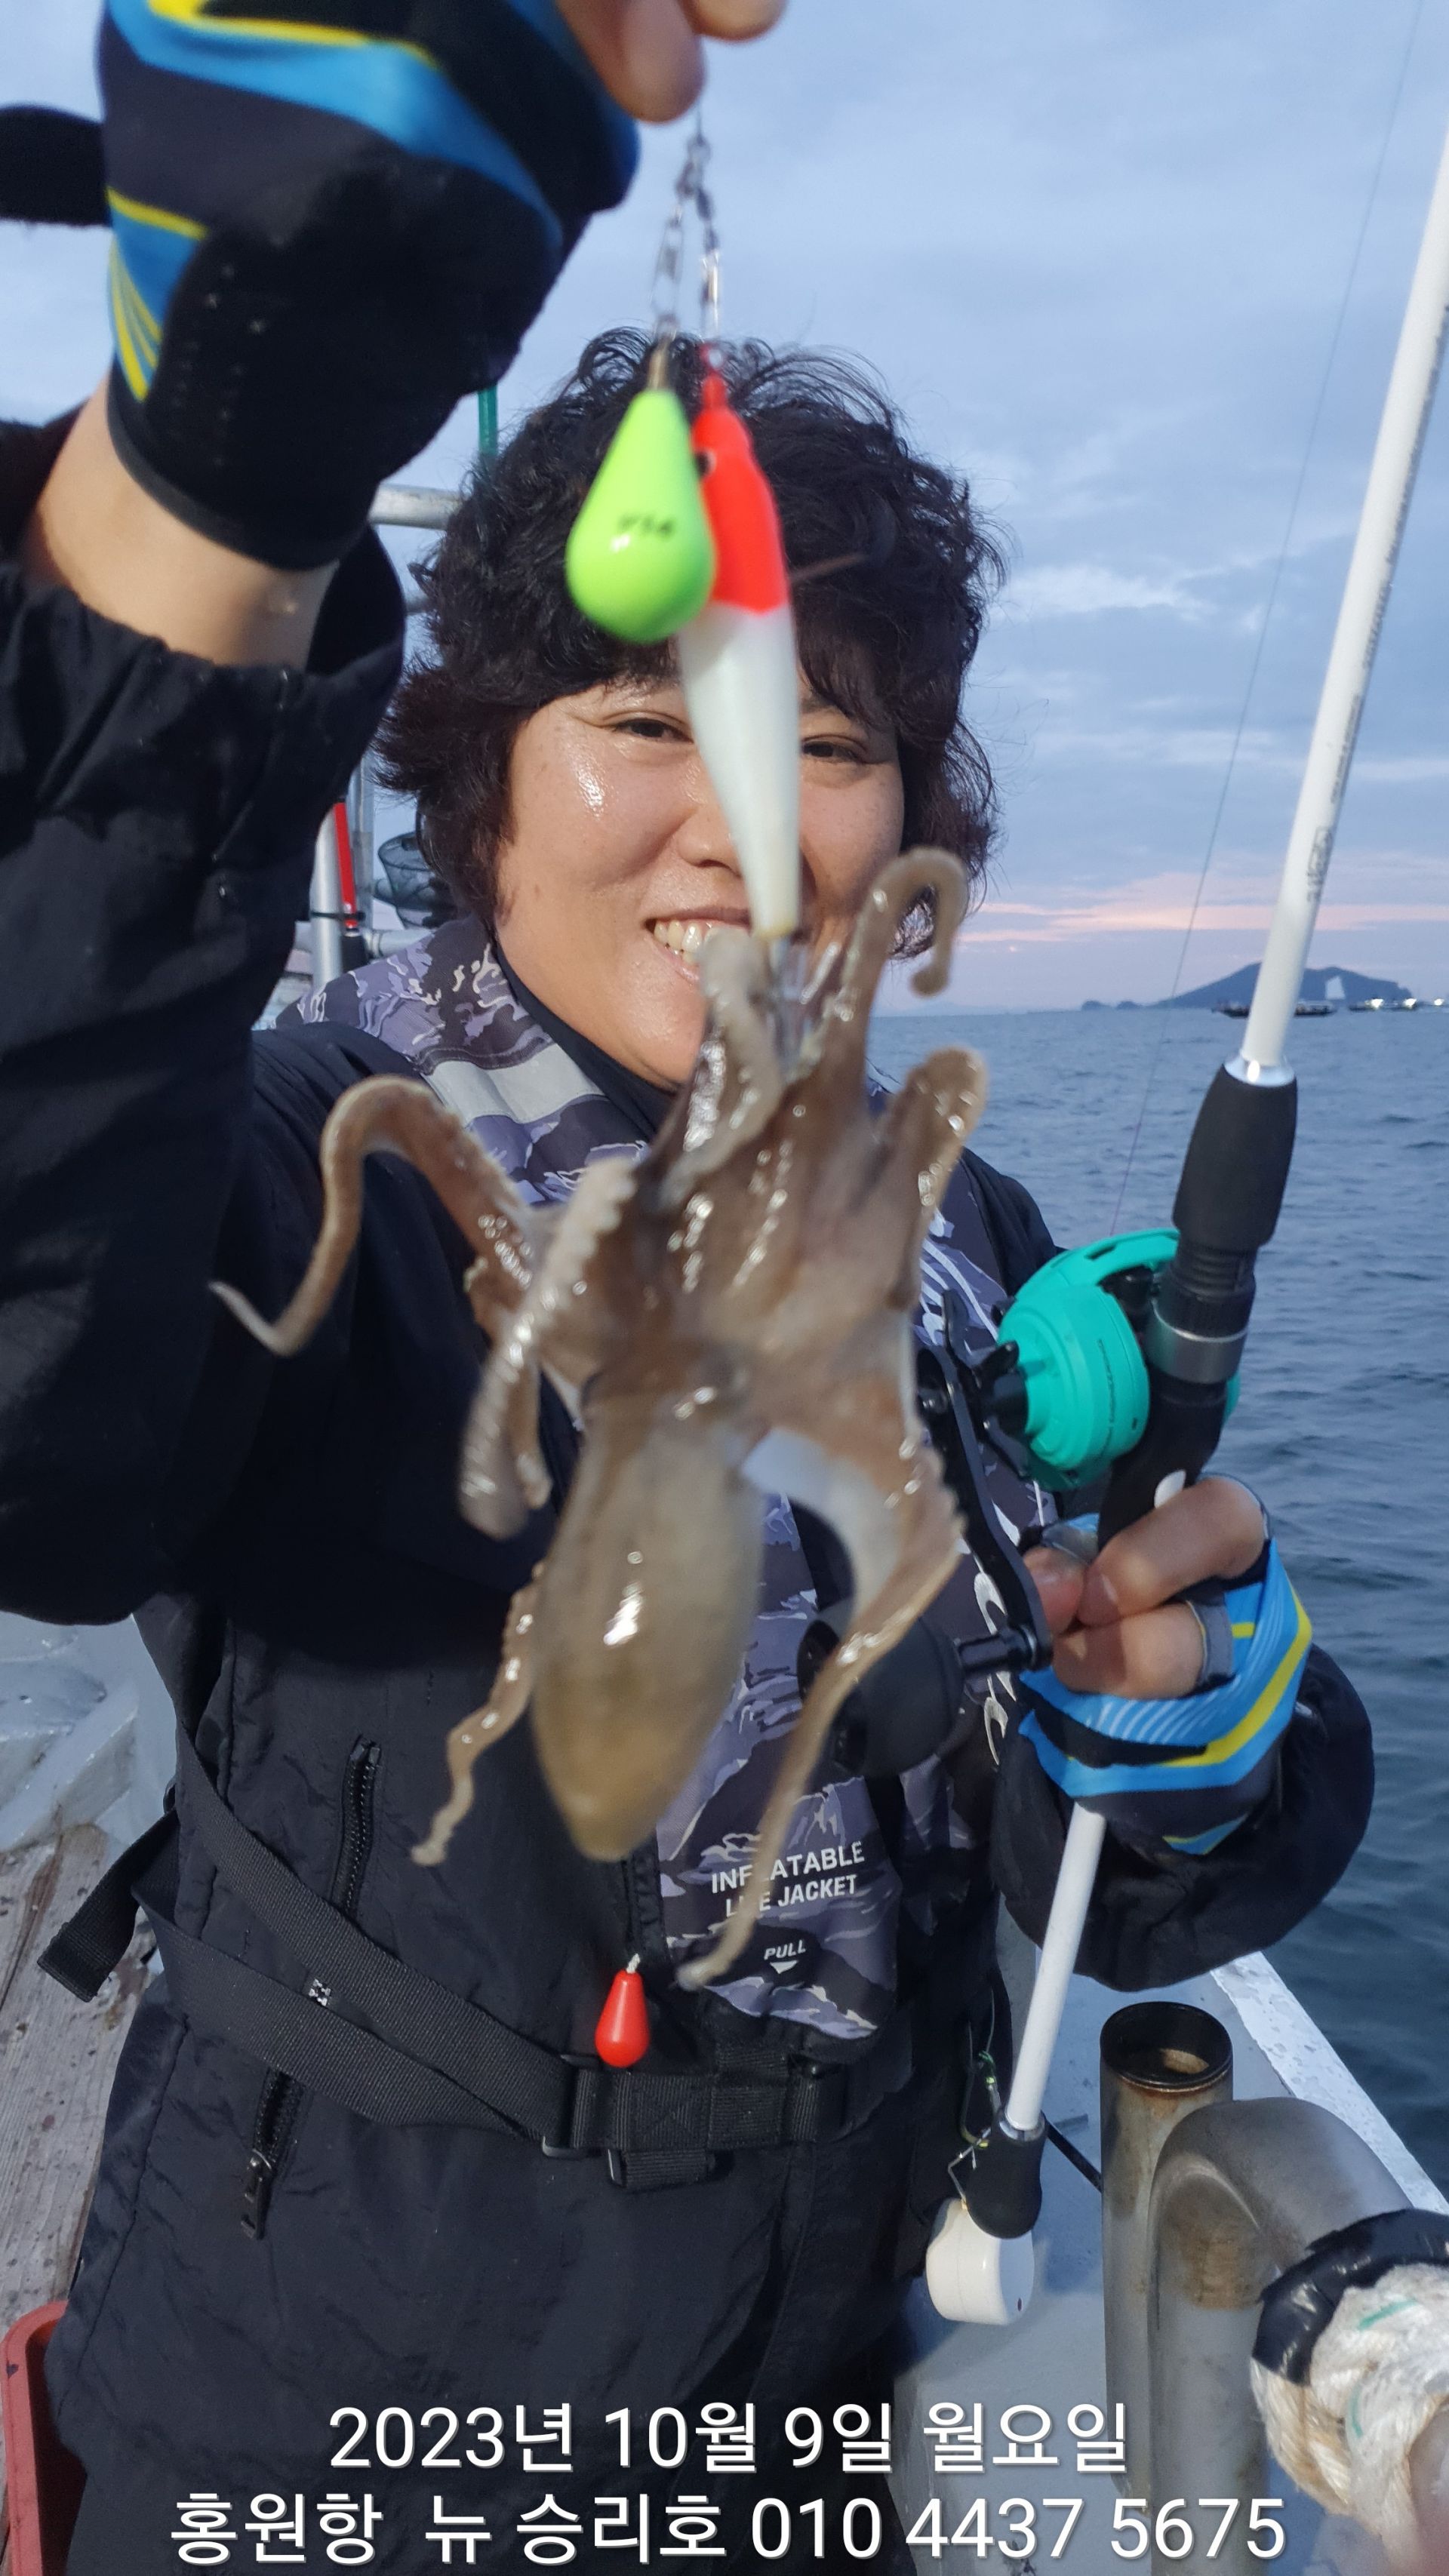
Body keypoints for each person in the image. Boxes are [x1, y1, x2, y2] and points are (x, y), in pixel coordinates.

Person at [0, 7, 1372, 2568]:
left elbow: (1087, 1835)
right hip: (330, 2409)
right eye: (651, 713)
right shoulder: (299, 1146)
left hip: (807, 2395)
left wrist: (1208, 1748)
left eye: (830, 750)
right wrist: (208, 487)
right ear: (477, 776)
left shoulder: (947, 1234)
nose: (745, 815)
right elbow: (31, 1377)